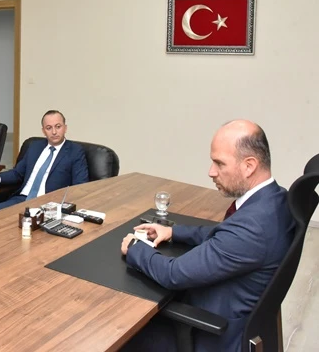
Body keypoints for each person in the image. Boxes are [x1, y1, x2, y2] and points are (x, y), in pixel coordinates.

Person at [120, 120, 294, 352]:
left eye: (219, 163)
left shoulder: (252, 227)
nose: (211, 172)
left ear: (249, 165)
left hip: (212, 335)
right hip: (235, 312)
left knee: (120, 331)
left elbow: (174, 274)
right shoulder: (275, 199)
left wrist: (135, 247)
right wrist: (173, 231)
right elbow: (225, 235)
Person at [0, 110, 89, 214]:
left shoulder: (75, 151)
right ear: (43, 131)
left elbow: (80, 186)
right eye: (49, 128)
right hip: (22, 200)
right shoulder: (34, 146)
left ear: (65, 128)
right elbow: (17, 173)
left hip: (49, 207)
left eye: (58, 126)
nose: (54, 132)